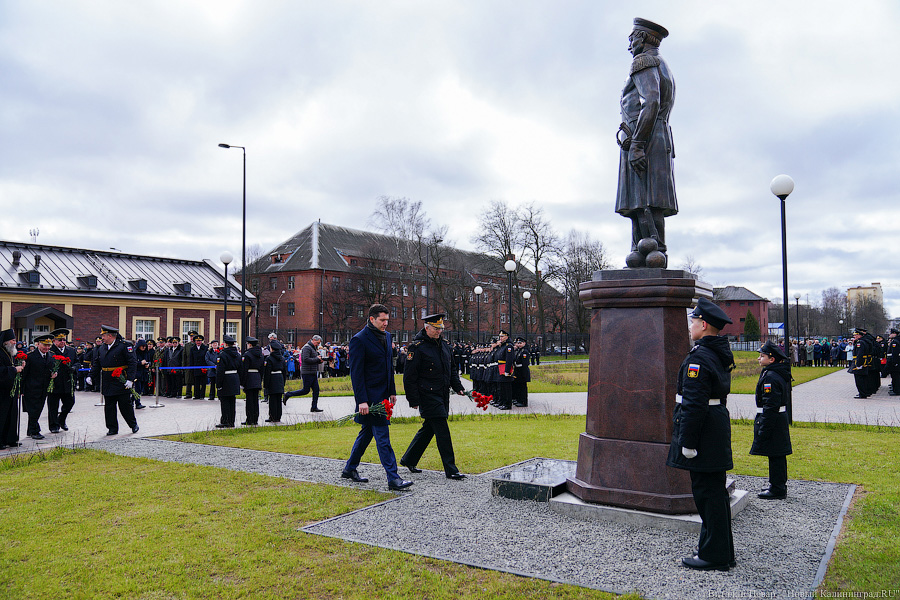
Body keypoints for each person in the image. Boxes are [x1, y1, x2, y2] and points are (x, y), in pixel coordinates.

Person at [666, 297, 736, 571]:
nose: (690, 325)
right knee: (714, 495)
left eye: (693, 321)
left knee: (708, 495)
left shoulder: (700, 358)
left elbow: (694, 404)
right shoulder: (715, 352)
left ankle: (714, 556)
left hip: (704, 432)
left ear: (704, 325)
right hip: (714, 427)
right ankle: (720, 552)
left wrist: (688, 442)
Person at [616, 18, 677, 268]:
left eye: (631, 39)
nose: (629, 45)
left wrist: (638, 144)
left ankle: (653, 249)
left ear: (641, 38)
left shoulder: (643, 61)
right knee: (646, 202)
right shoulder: (662, 64)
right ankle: (644, 251)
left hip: (644, 136)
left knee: (644, 200)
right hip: (655, 134)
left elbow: (650, 101)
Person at [341, 304, 412, 491]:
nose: (386, 323)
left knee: (366, 434)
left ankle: (349, 469)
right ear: (371, 319)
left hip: (383, 394)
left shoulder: (387, 337)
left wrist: (392, 391)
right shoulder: (359, 340)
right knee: (382, 437)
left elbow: (389, 367)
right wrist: (361, 401)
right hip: (370, 397)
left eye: (387, 320)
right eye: (382, 320)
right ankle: (393, 478)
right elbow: (356, 374)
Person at [400, 313, 467, 480]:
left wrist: (458, 387)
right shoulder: (417, 347)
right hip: (427, 394)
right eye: (436, 329)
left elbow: (451, 369)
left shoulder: (444, 346)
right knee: (442, 430)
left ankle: (409, 459)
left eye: (441, 329)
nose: (439, 332)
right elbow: (409, 376)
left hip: (442, 394)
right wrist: (413, 399)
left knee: (429, 429)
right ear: (426, 328)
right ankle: (451, 469)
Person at [750, 340, 793, 499]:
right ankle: (777, 485)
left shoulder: (771, 377)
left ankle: (777, 488)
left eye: (762, 356)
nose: (759, 359)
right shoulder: (774, 372)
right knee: (776, 454)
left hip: (773, 419)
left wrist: (764, 426)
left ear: (772, 359)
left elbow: (770, 404)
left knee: (776, 454)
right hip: (777, 418)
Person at [87, 325, 139, 436]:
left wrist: (130, 379)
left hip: (121, 380)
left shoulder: (124, 346)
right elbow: (97, 363)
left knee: (125, 405)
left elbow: (132, 363)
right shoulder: (102, 347)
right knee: (109, 406)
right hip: (107, 380)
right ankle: (112, 428)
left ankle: (133, 424)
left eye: (103, 336)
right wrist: (90, 376)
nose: (102, 338)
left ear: (110, 335)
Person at [22, 333, 55, 440]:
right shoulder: (30, 356)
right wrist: (21, 389)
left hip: (43, 388)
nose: (47, 348)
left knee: (38, 409)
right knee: (33, 410)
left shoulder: (50, 355)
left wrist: (54, 374)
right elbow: (24, 374)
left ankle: (30, 430)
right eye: (45, 345)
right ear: (38, 344)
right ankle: (35, 431)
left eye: (49, 345)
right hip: (31, 388)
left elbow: (51, 369)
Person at [47, 328, 78, 432]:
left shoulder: (71, 350)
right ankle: (53, 425)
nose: (62, 342)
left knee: (70, 402)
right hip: (55, 382)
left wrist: (74, 368)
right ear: (54, 341)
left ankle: (62, 419)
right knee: (53, 406)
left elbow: (77, 362)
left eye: (64, 339)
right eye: (59, 340)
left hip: (68, 381)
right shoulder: (50, 351)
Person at [283, 335, 324, 411]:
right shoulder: (307, 347)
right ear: (314, 340)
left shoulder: (313, 348)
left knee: (316, 390)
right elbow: (305, 359)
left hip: (313, 372)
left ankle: (314, 407)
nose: (318, 345)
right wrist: (316, 359)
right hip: (307, 372)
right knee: (305, 390)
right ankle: (288, 394)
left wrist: (319, 360)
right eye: (317, 343)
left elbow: (313, 360)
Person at [0, 329, 25, 449]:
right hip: (1, 392)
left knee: (12, 415)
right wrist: (14, 370)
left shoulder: (10, 353)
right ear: (5, 342)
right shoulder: (0, 353)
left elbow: (10, 367)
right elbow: (1, 371)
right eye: (13, 340)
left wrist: (18, 366)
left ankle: (11, 439)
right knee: (2, 415)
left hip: (11, 390)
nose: (15, 342)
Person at [215, 335, 241, 428]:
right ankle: (231, 421)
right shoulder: (237, 354)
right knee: (232, 401)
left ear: (225, 344)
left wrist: (218, 384)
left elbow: (220, 371)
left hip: (226, 379)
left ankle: (225, 421)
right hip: (234, 378)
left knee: (225, 401)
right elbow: (240, 368)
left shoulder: (223, 355)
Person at [240, 337, 264, 425]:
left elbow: (244, 369)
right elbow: (262, 369)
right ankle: (255, 418)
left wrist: (242, 382)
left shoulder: (247, 355)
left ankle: (250, 419)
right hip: (257, 377)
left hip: (249, 378)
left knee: (249, 400)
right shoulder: (260, 354)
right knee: (255, 400)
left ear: (250, 344)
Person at [850, 327, 876, 399]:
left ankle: (862, 393)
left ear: (859, 335)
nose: (854, 337)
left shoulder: (860, 343)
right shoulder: (865, 341)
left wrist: (858, 364)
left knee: (859, 379)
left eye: (855, 335)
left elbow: (860, 354)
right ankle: (864, 392)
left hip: (860, 362)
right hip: (864, 361)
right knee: (864, 378)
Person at [263, 340, 285, 422]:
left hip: (272, 379)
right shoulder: (282, 358)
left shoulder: (269, 359)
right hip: (280, 379)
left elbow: (267, 372)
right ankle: (278, 416)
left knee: (272, 399)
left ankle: (272, 416)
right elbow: (284, 371)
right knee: (278, 399)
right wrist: (283, 382)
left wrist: (266, 384)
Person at [512, 337, 531, 407]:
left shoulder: (524, 351)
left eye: (521, 343)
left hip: (522, 371)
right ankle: (519, 400)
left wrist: (524, 374)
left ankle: (523, 402)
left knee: (522, 387)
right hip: (518, 371)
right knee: (519, 387)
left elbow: (525, 364)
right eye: (518, 343)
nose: (519, 344)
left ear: (524, 343)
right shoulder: (519, 351)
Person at [188, 334, 209, 399]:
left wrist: (206, 367)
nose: (198, 342)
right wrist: (191, 368)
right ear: (195, 341)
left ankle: (202, 395)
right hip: (195, 367)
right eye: (197, 341)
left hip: (203, 368)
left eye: (199, 341)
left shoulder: (205, 348)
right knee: (196, 382)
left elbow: (206, 358)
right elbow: (191, 359)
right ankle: (196, 395)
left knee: (203, 383)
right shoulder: (192, 348)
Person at [886, 329, 899, 395]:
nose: (889, 335)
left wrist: (895, 362)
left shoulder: (895, 342)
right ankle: (895, 389)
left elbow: (895, 353)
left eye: (891, 334)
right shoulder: (895, 341)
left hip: (895, 362)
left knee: (896, 377)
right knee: (895, 377)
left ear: (894, 334)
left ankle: (896, 390)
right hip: (894, 362)